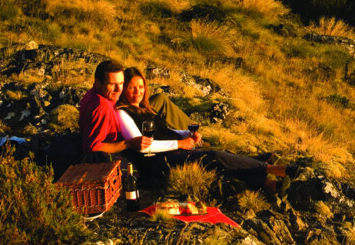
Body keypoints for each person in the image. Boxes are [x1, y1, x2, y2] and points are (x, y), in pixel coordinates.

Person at [115, 66, 291, 191]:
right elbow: (143, 146)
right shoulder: (122, 113)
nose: (137, 91)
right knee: (214, 157)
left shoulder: (145, 109)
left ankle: (269, 185)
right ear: (124, 90)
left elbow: (165, 132)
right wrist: (179, 144)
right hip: (157, 165)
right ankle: (272, 169)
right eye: (131, 88)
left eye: (140, 87)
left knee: (218, 162)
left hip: (170, 154)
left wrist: (186, 134)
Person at [79, 60, 151, 158]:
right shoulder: (102, 107)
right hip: (112, 156)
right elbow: (92, 147)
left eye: (121, 83)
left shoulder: (93, 93)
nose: (119, 89)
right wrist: (128, 143)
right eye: (112, 84)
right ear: (98, 83)